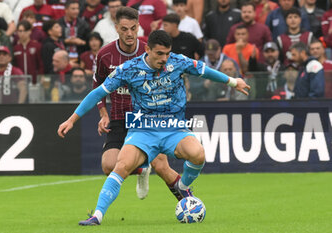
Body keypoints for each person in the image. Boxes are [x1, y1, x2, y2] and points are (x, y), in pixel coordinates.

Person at [57, 29, 250, 226]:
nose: (164, 58)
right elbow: (98, 93)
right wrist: (72, 119)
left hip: (173, 128)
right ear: (147, 49)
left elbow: (204, 71)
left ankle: (182, 186)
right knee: (120, 166)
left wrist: (233, 82)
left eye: (167, 53)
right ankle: (96, 216)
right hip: (143, 130)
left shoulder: (178, 61)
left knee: (198, 154)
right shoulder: (129, 69)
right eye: (159, 54)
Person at [93, 7, 183, 201]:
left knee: (162, 166)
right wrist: (103, 113)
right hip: (118, 116)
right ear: (116, 28)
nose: (129, 34)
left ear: (138, 27)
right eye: (124, 29)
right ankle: (142, 168)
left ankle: (188, 201)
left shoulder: (148, 49)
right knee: (109, 165)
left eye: (133, 28)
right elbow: (97, 85)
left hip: (147, 117)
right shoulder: (105, 55)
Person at [13, 20, 44, 84]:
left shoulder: (37, 46)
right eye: (20, 31)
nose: (22, 33)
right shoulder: (15, 48)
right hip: (20, 83)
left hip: (34, 82)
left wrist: (40, 77)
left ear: (30, 31)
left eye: (25, 31)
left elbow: (41, 64)